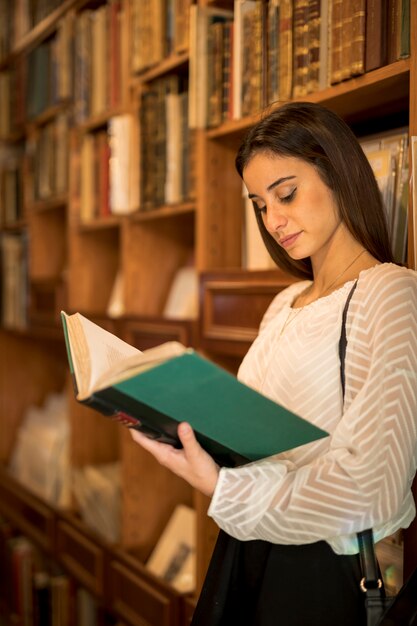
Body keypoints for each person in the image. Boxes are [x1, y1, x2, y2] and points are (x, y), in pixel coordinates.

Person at [130, 102, 417, 625]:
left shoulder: (390, 292)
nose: (274, 219)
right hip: (246, 550)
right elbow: (257, 440)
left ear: (339, 174)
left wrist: (225, 490)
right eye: (260, 204)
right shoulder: (283, 303)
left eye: (286, 193)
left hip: (325, 568)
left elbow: (376, 485)